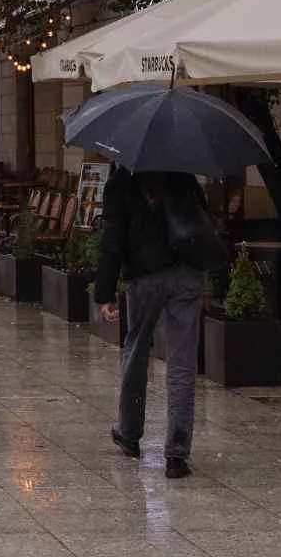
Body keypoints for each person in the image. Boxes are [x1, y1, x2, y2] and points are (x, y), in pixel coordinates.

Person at [95, 169, 212, 480]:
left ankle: (130, 434)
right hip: (186, 273)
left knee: (136, 350)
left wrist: (105, 292)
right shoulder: (183, 175)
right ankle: (176, 454)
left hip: (145, 277)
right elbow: (202, 221)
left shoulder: (121, 181)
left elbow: (112, 240)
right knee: (182, 363)